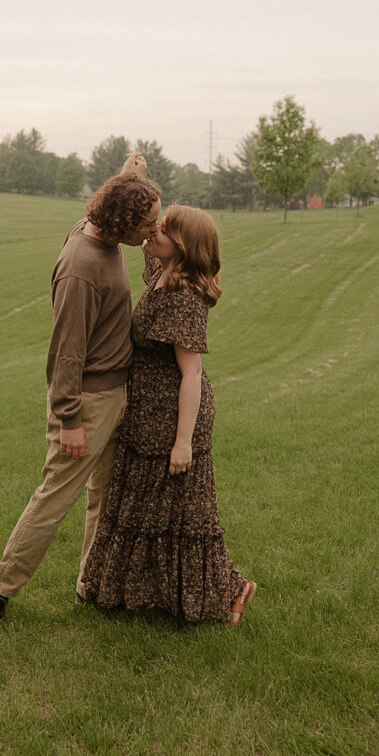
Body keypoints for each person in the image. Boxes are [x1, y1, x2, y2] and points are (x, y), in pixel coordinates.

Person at [0, 157, 162, 635]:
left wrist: (130, 174)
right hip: (89, 404)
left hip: (119, 394)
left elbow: (120, 196)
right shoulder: (81, 268)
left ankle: (90, 586)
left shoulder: (98, 225)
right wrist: (70, 421)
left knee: (104, 497)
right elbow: (66, 355)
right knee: (54, 500)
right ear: (121, 221)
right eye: (147, 223)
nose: (153, 230)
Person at [82, 204, 256, 625]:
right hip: (146, 412)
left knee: (186, 516)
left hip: (174, 418)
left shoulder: (183, 298)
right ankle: (131, 594)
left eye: (165, 227)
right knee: (141, 507)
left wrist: (183, 441)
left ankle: (234, 589)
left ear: (183, 245)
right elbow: (135, 231)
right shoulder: (162, 275)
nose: (154, 230)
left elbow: (192, 374)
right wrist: (135, 179)